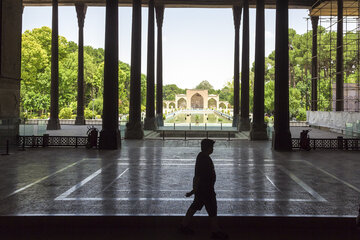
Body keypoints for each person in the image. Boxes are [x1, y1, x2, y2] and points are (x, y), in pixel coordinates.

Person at [179, 139, 228, 239]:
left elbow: (197, 176)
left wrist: (194, 191)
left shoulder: (202, 157)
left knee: (194, 207)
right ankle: (215, 231)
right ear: (208, 148)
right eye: (212, 147)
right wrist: (193, 191)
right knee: (212, 209)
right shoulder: (204, 159)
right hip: (206, 190)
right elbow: (198, 176)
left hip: (202, 189)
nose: (213, 149)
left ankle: (183, 226)